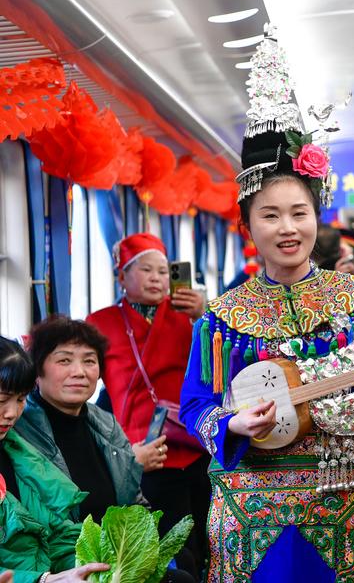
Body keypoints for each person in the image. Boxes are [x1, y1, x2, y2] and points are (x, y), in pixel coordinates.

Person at [179, 28, 354, 582]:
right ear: (247, 225)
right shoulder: (222, 317)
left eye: (299, 212)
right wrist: (231, 422)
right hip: (253, 510)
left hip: (349, 501)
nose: (287, 227)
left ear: (317, 216)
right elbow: (195, 405)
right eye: (269, 215)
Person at [85, 232, 211, 569]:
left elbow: (220, 362)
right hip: (140, 447)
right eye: (145, 270)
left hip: (194, 440)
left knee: (206, 536)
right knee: (162, 547)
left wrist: (206, 314)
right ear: (121, 276)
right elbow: (83, 380)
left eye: (162, 271)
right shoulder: (100, 323)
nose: (157, 278)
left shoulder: (188, 315)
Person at [14, 317, 145, 523]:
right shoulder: (17, 427)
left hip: (115, 550)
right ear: (37, 370)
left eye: (89, 361)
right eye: (64, 360)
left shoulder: (107, 425)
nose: (79, 372)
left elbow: (135, 503)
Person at [0, 336, 109, 582]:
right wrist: (45, 579)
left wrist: (91, 564)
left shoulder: (20, 454)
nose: (12, 413)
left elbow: (59, 534)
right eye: (2, 400)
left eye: (20, 400)